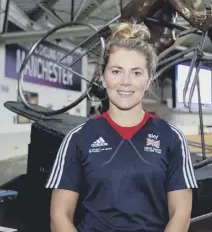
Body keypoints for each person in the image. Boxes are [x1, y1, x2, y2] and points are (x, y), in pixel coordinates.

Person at [45, 21, 198, 232]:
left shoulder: (171, 137)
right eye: (116, 71)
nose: (126, 82)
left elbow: (180, 215)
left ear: (149, 79)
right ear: (102, 76)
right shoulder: (78, 138)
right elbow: (59, 216)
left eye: (136, 73)